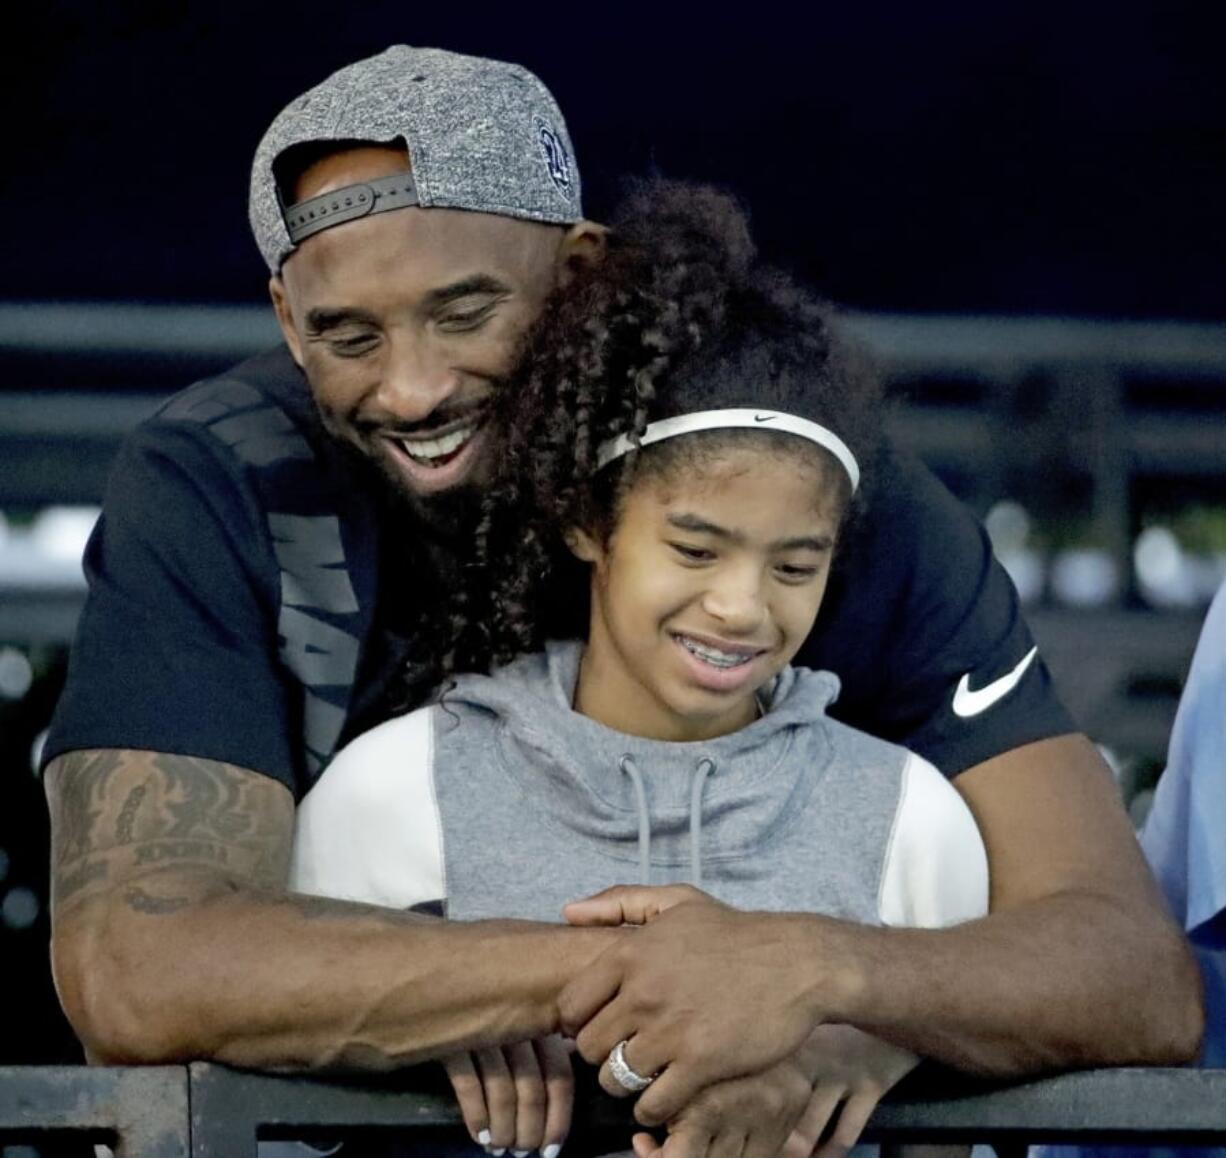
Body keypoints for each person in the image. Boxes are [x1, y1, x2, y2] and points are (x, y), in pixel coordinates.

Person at [42, 39, 1199, 1153]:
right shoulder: (220, 478)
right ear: (287, 321)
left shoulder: (788, 475)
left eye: (463, 312)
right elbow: (135, 969)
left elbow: (1130, 974)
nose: (413, 387)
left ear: (580, 268)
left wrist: (833, 991)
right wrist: (624, 984)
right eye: (347, 334)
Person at [290, 184, 992, 1158]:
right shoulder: (391, 793)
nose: (742, 606)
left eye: (794, 564)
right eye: (694, 549)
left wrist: (870, 1036)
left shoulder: (912, 823)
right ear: (585, 520)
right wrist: (421, 1016)